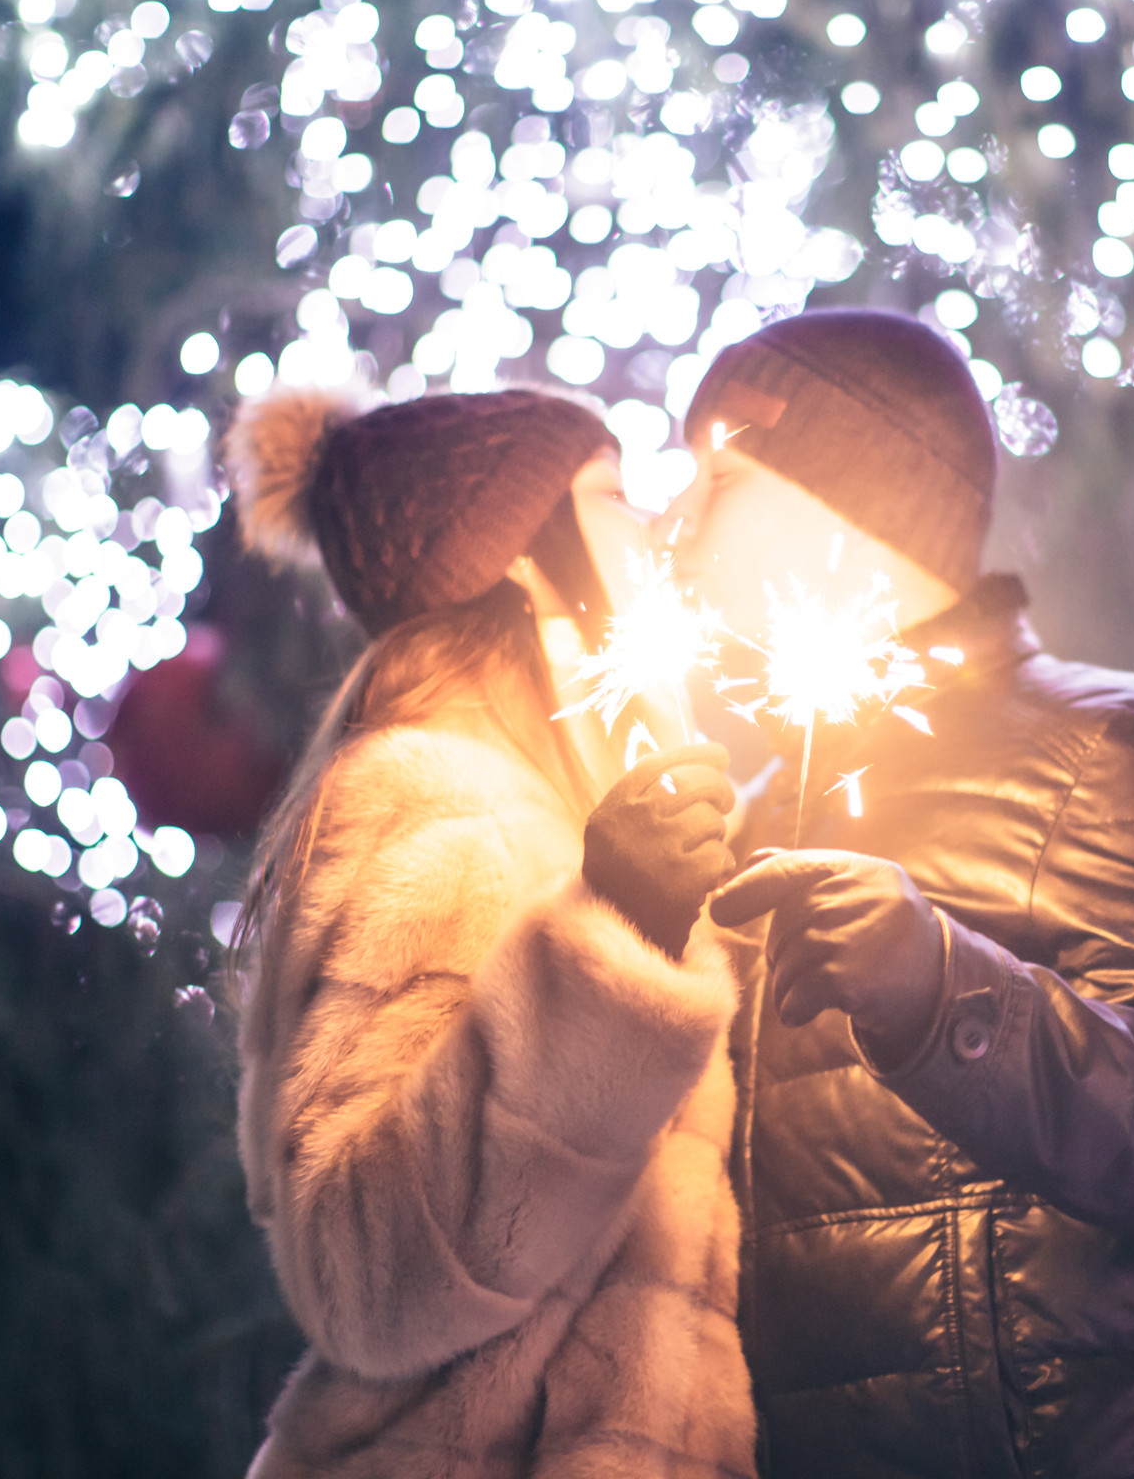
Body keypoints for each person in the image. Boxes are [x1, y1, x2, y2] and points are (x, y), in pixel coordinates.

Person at [659, 309, 1134, 1479]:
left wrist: (946, 993)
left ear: (842, 499)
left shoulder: (1117, 747)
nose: (678, 523)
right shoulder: (749, 821)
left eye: (719, 475)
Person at [224, 385, 755, 1479]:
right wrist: (613, 943)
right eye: (609, 493)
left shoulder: (560, 806)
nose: (650, 522)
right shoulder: (435, 799)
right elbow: (363, 1274)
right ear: (521, 561)